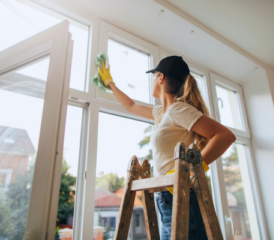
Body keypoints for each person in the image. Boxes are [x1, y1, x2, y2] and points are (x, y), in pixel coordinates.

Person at [98, 55, 236, 240]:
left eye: (154, 76)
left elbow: (225, 136)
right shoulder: (162, 113)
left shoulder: (179, 110)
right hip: (166, 198)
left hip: (182, 195)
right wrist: (110, 83)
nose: (152, 80)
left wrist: (191, 170)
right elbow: (131, 105)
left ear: (161, 77)